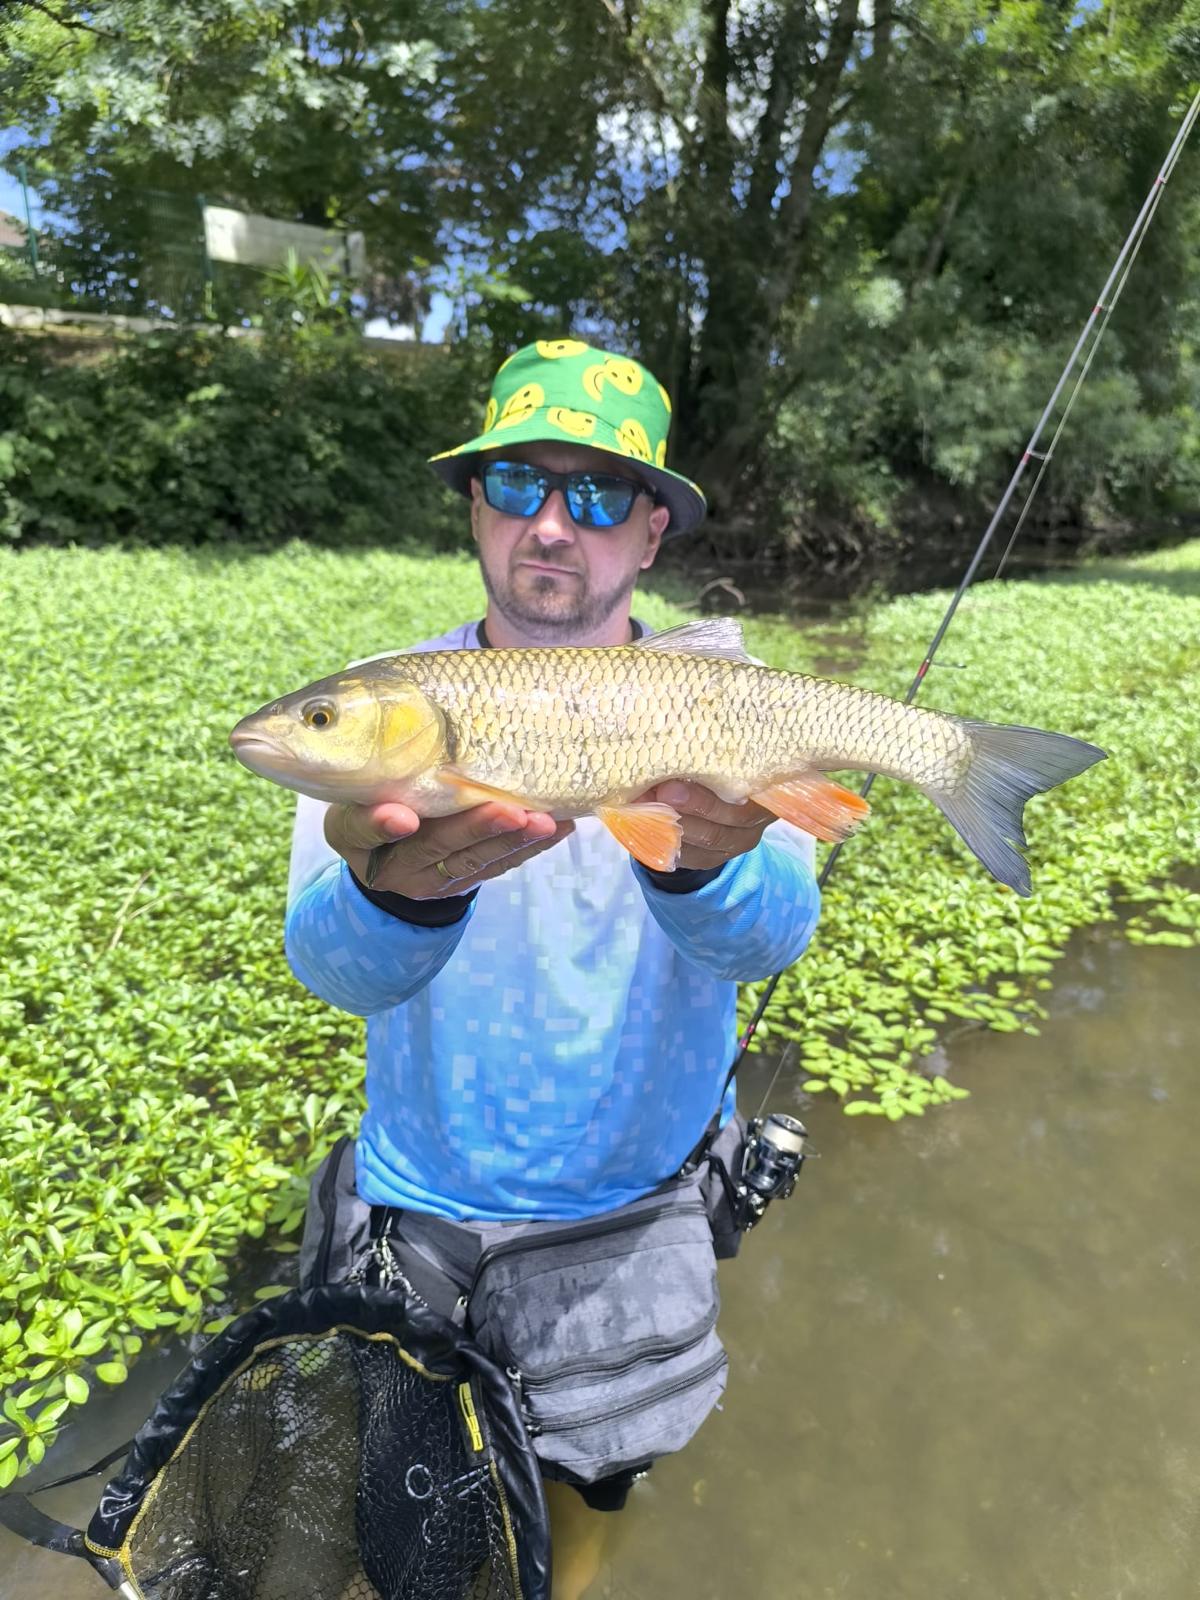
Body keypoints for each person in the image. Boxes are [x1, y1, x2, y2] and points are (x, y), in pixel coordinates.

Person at [284, 337, 821, 1599]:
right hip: (427, 1199)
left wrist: (701, 865)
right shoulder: (391, 705)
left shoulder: (725, 697)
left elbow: (770, 937)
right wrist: (389, 897)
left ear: (651, 532)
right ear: (476, 505)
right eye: (519, 482)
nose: (550, 524)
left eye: (596, 494)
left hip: (638, 1207)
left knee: (591, 1490)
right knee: (410, 1504)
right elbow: (334, 969)